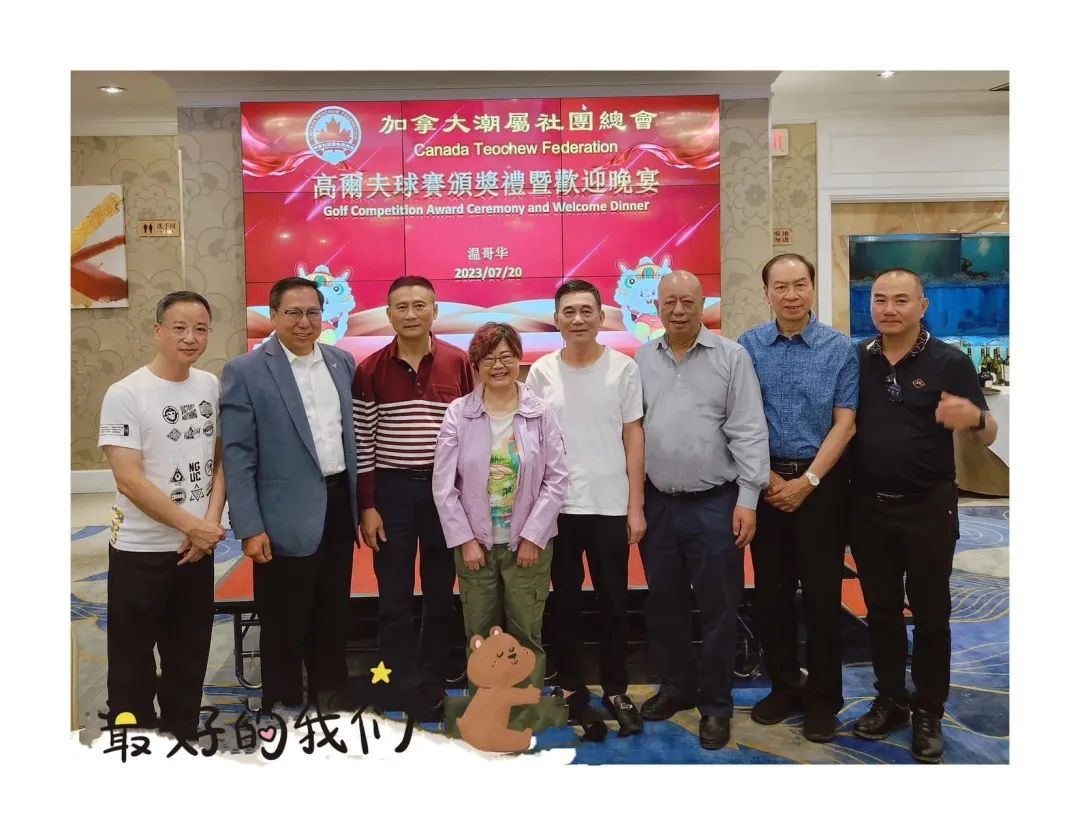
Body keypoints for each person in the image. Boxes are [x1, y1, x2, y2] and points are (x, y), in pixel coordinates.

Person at [849, 267, 997, 764]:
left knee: (932, 613)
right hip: (868, 508)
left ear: (922, 306)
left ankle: (929, 709)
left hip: (929, 507)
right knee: (882, 611)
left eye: (901, 300)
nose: (889, 309)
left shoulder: (950, 361)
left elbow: (987, 431)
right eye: (880, 299)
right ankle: (890, 698)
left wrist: (976, 418)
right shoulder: (857, 358)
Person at [635, 270, 770, 750]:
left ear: (701, 304)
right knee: (664, 604)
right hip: (659, 504)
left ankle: (715, 705)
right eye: (669, 301)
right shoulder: (642, 358)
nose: (678, 310)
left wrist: (749, 499)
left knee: (719, 608)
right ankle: (676, 687)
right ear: (657, 305)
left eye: (687, 301)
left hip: (716, 504)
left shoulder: (731, 357)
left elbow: (749, 429)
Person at [221, 276, 358, 711]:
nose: (304, 322)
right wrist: (249, 526)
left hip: (338, 505)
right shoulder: (245, 371)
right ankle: (282, 707)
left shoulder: (342, 362)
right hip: (281, 516)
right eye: (293, 313)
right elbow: (238, 455)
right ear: (274, 315)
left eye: (312, 312)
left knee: (333, 611)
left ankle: (330, 699)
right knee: (284, 620)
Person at [737, 254, 859, 743]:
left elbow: (845, 423)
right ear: (766, 293)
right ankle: (784, 686)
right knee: (771, 596)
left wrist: (807, 481)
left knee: (824, 598)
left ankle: (824, 699)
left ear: (812, 288)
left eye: (800, 284)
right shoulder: (748, 346)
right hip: (765, 484)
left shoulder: (839, 348)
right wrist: (767, 479)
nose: (791, 295)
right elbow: (740, 418)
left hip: (821, 487)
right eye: (781, 286)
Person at [99, 290, 226, 739]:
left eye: (200, 329)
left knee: (189, 652)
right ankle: (136, 741)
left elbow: (220, 461)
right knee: (132, 657)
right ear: (157, 331)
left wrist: (208, 525)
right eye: (179, 328)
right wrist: (192, 526)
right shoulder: (125, 393)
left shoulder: (210, 385)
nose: (191, 338)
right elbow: (128, 480)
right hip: (141, 549)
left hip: (197, 548)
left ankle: (181, 733)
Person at [525, 279, 645, 738]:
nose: (577, 319)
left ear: (600, 318)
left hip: (610, 503)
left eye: (586, 311)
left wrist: (636, 505)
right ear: (556, 319)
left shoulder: (623, 368)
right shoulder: (542, 372)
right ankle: (572, 685)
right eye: (569, 312)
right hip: (556, 507)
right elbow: (531, 440)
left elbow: (633, 435)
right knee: (565, 601)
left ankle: (616, 688)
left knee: (614, 600)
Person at [352, 276, 475, 714]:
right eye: (400, 307)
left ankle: (432, 683)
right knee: (394, 596)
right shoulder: (369, 369)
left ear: (435, 311)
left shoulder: (459, 363)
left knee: (440, 594)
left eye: (419, 305)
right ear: (388, 315)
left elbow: (471, 432)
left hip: (444, 495)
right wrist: (368, 505)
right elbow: (363, 442)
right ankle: (396, 681)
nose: (410, 314)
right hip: (391, 495)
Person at [432, 323, 568, 695]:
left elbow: (556, 479)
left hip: (527, 546)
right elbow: (444, 486)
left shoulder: (540, 412)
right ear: (476, 364)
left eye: (506, 356)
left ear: (519, 359)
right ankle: (484, 710)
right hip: (476, 547)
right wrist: (465, 541)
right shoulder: (459, 413)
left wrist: (534, 537)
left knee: (526, 634)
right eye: (488, 358)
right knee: (479, 634)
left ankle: (523, 710)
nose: (498, 365)